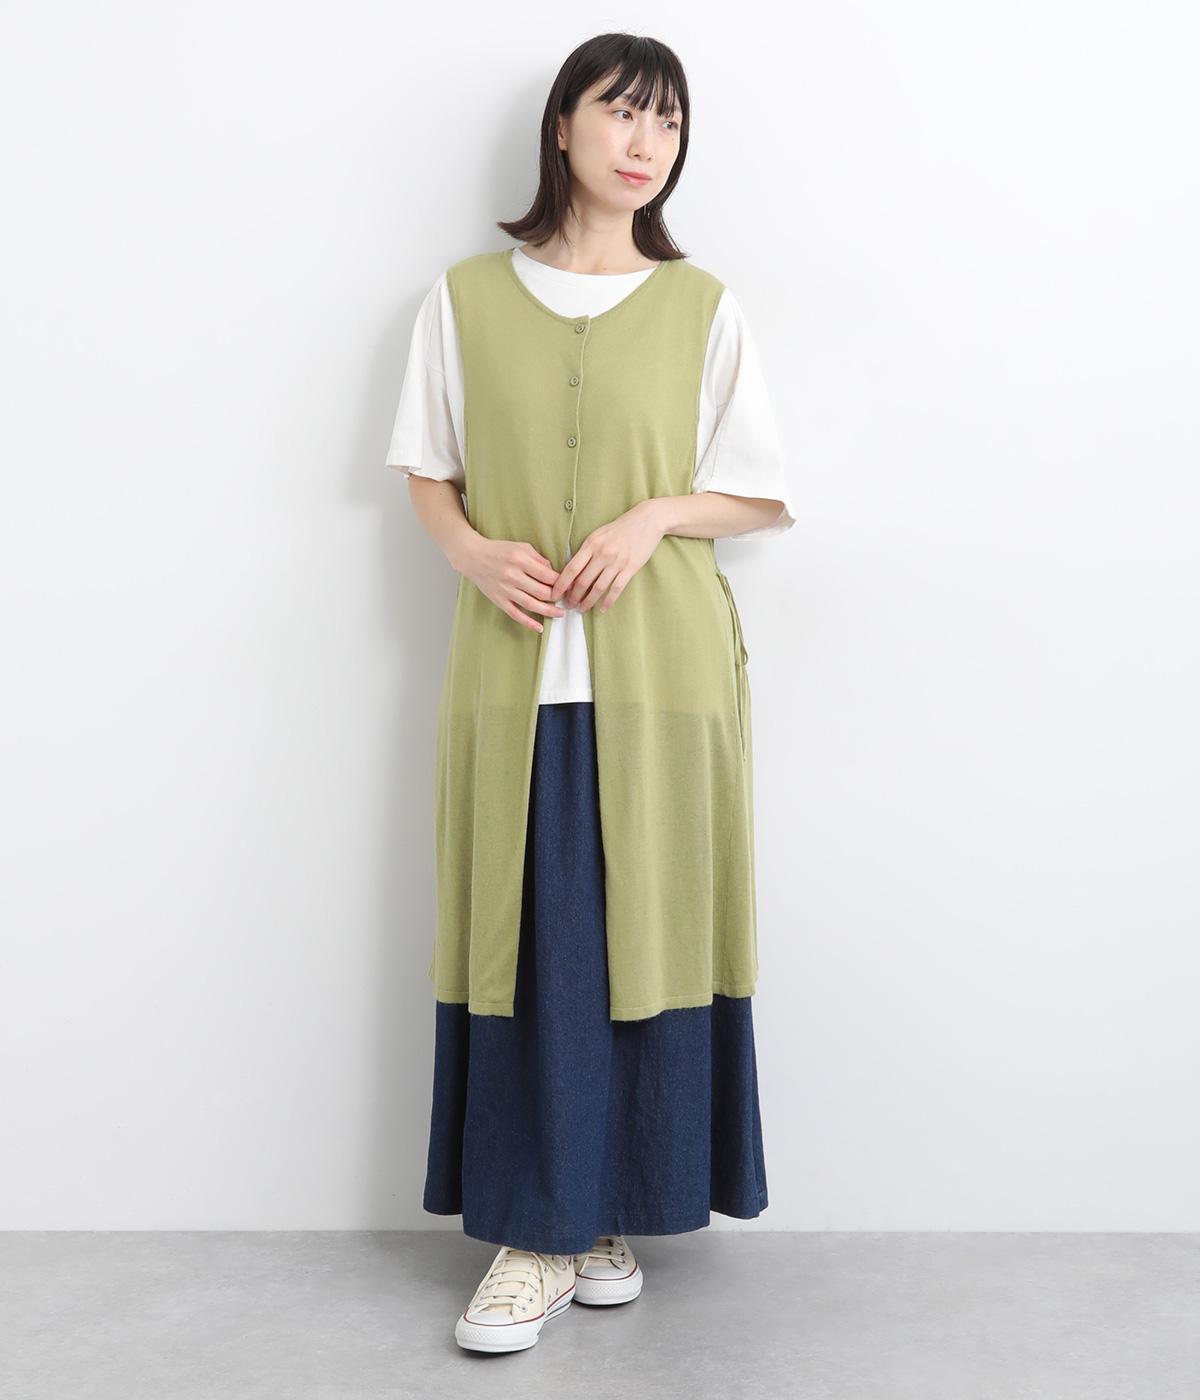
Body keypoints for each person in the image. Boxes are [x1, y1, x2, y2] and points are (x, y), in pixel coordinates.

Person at [384, 32, 796, 1354]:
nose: (645, 142)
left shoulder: (703, 307)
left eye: (668, 123)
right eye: (623, 112)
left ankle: (593, 1214)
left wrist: (655, 514)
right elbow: (428, 470)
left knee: (644, 939)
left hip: (665, 680)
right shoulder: (463, 299)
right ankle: (542, 1229)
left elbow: (758, 494)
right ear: (562, 125)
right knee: (535, 944)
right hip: (516, 682)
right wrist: (470, 551)